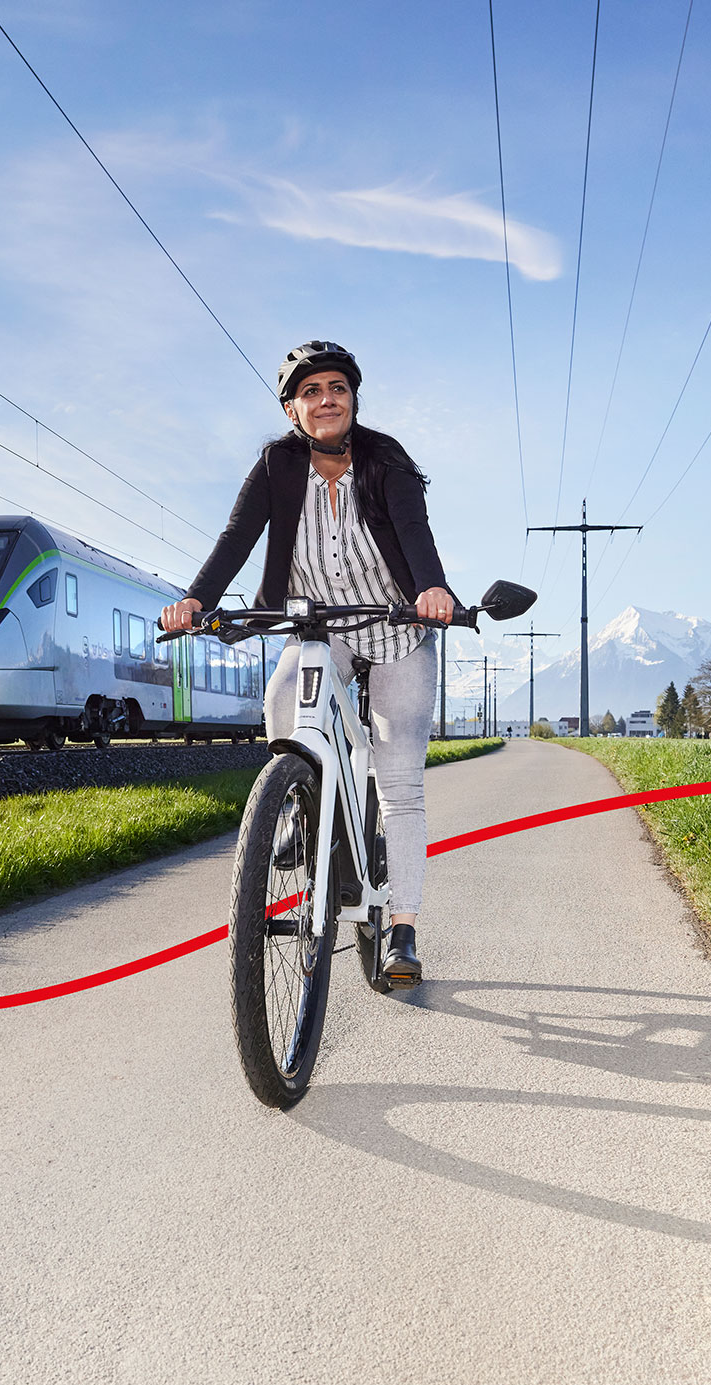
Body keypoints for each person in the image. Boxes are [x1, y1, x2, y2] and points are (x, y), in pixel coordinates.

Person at [161, 340, 455, 983]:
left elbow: (414, 534)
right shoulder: (276, 465)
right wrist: (196, 599)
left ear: (353, 400)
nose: (327, 401)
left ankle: (402, 929)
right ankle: (299, 800)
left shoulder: (387, 461)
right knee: (282, 698)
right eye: (312, 392)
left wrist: (434, 591)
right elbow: (237, 536)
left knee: (400, 781)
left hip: (394, 622)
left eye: (338, 389)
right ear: (293, 410)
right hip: (320, 621)